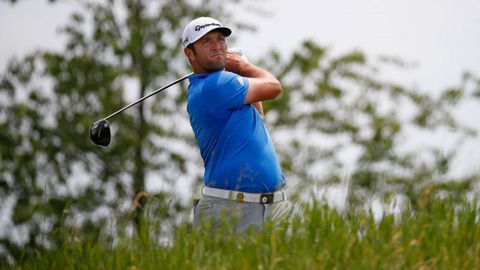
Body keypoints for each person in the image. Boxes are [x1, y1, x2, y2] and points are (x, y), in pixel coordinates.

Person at [182, 17, 291, 233]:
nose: (217, 45)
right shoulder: (215, 85)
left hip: (269, 206)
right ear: (190, 53)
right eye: (206, 41)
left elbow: (258, 116)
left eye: (221, 39)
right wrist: (245, 66)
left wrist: (240, 71)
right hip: (234, 208)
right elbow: (274, 86)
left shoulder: (224, 85)